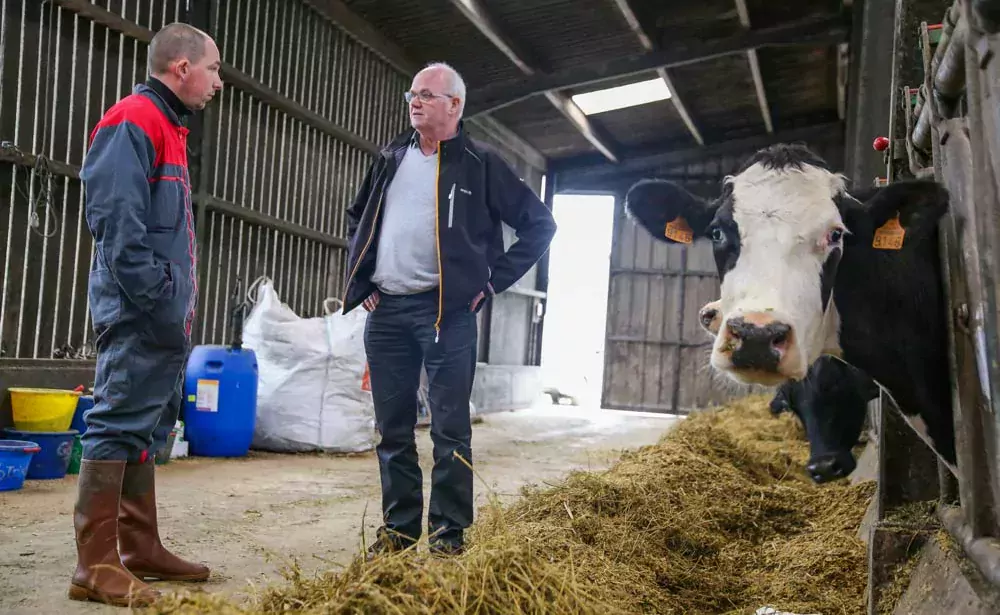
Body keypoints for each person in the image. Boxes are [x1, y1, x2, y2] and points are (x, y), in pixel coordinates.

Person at [342, 62, 557, 557]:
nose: (415, 101)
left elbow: (539, 226)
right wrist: (363, 277)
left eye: (427, 94)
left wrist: (493, 279)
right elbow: (358, 216)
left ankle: (447, 534)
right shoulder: (391, 156)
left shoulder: (481, 164)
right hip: (388, 312)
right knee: (392, 431)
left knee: (449, 430)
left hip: (446, 314)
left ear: (454, 105)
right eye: (412, 94)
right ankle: (398, 532)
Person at [71, 22, 223, 607]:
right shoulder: (133, 119)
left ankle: (137, 546)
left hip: (160, 311)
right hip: (140, 308)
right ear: (181, 68)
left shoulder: (168, 126)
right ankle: (95, 565)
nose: (217, 83)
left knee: (143, 425)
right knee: (115, 422)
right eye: (212, 70)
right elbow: (115, 222)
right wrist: (157, 294)